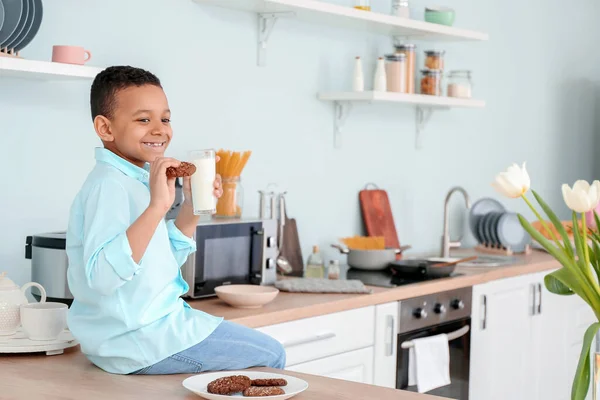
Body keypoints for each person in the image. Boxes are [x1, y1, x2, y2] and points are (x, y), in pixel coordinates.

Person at [65, 65, 286, 375]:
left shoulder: (138, 180)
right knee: (271, 357)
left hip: (144, 333)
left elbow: (156, 259)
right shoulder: (109, 185)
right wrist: (158, 206)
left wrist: (192, 206)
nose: (160, 130)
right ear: (105, 128)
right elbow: (102, 278)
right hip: (140, 340)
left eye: (165, 119)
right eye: (144, 119)